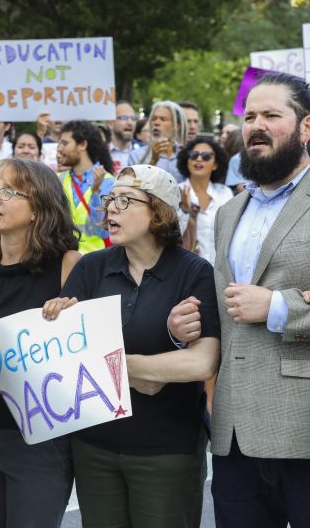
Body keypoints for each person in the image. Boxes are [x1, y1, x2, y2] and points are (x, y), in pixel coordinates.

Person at [44, 164, 221, 528]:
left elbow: (202, 363)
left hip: (167, 450)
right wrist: (149, 375)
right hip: (95, 447)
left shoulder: (194, 271)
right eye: (110, 199)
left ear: (159, 212)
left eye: (125, 200)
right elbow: (68, 358)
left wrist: (119, 366)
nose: (111, 207)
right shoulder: (92, 268)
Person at [169, 73, 310, 528]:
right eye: (249, 117)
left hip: (303, 427)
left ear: (306, 127)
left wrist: (279, 307)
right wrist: (182, 328)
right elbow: (225, 308)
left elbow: (263, 305)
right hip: (233, 434)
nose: (256, 126)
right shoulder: (230, 212)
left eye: (271, 115)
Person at [0, 158, 81, 528]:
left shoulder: (68, 265)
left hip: (41, 440)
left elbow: (83, 353)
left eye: (9, 192)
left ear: (38, 209)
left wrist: (71, 317)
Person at [57, 120, 115, 253]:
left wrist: (95, 192)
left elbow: (104, 229)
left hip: (97, 260)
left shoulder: (109, 182)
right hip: (63, 259)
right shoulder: (58, 179)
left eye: (64, 143)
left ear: (82, 145)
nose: (59, 149)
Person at [175, 137, 233, 265]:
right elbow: (172, 237)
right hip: (186, 269)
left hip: (219, 270)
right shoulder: (175, 192)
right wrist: (185, 211)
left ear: (215, 165)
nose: (199, 159)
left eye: (206, 156)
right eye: (194, 155)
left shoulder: (225, 194)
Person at [130, 101, 187, 182]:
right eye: (153, 119)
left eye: (163, 119)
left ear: (176, 126)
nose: (156, 123)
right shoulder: (136, 155)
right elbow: (133, 186)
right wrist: (153, 161)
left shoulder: (186, 155)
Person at [109, 100, 140, 172]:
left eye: (133, 119)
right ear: (111, 123)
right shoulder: (100, 151)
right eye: (124, 118)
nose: (130, 122)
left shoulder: (143, 151)